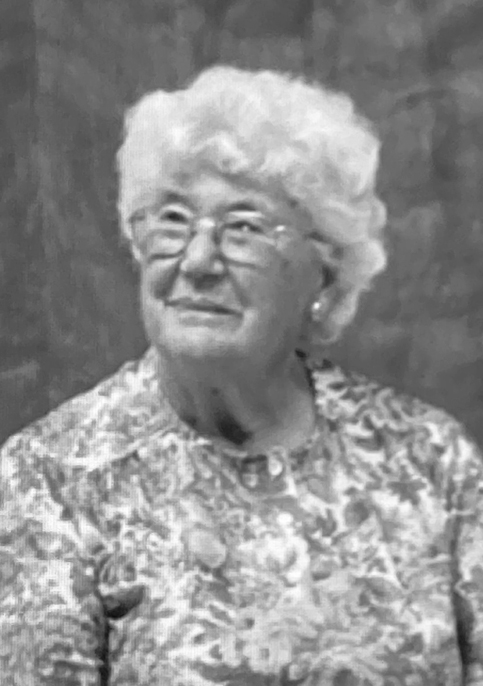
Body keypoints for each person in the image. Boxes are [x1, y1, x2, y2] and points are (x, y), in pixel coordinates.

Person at [1, 65, 482, 686]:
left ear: (323, 272)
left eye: (245, 228)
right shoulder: (53, 480)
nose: (198, 261)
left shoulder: (430, 459)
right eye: (172, 220)